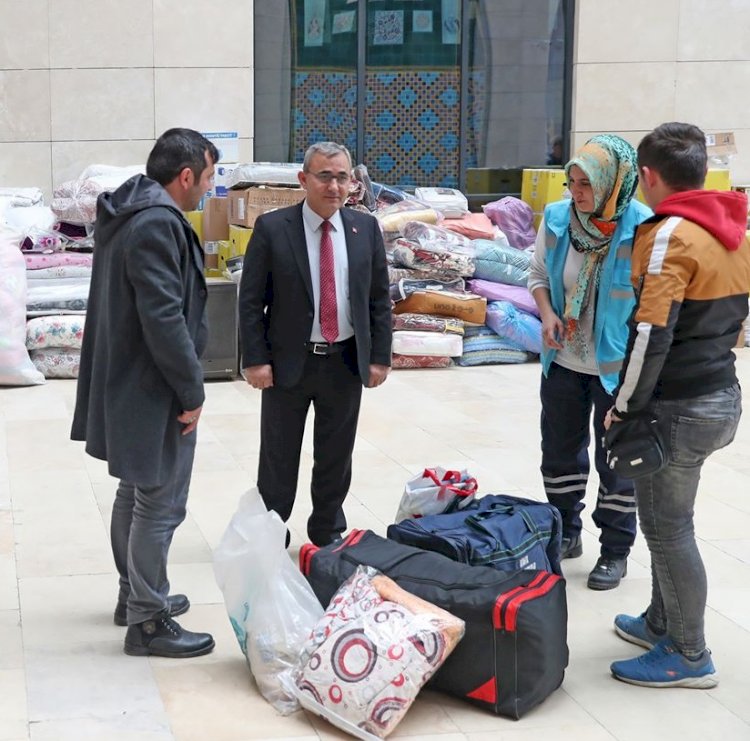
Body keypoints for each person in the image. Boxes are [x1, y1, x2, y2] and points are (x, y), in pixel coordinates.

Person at [607, 122, 750, 688]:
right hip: (720, 396)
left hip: (678, 407)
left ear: (647, 176)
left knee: (669, 529)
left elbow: (650, 335)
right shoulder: (734, 230)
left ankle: (689, 655)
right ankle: (661, 620)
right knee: (666, 521)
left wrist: (623, 405)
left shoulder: (671, 235)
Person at [71, 128, 218, 658]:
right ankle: (149, 623)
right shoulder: (156, 223)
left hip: (130, 379)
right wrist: (191, 388)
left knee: (134, 492)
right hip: (153, 385)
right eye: (206, 177)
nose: (208, 188)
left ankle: (134, 595)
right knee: (159, 503)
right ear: (184, 177)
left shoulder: (129, 212)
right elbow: (163, 318)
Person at [238, 141, 392, 548]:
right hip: (288, 363)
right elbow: (251, 300)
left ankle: (327, 529)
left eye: (343, 177)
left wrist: (379, 358)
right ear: (303, 179)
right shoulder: (273, 228)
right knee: (278, 456)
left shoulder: (365, 230)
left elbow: (378, 298)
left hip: (343, 362)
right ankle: (271, 532)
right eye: (325, 176)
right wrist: (255, 359)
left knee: (336, 455)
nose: (334, 186)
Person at [528, 134, 652, 590]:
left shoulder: (642, 226)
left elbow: (650, 304)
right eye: (571, 182)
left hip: (616, 367)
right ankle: (565, 533)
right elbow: (539, 274)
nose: (576, 193)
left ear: (612, 184)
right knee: (559, 451)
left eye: (586, 184)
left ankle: (615, 551)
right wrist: (546, 313)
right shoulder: (559, 219)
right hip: (562, 360)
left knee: (616, 459)